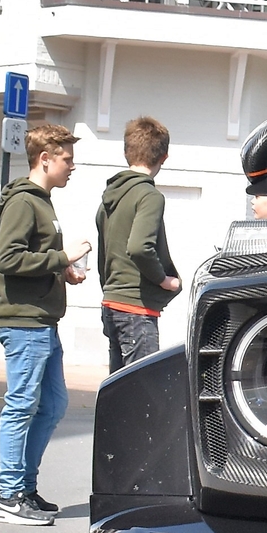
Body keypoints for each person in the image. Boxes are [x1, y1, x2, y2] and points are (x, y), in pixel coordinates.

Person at [0, 122, 89, 524]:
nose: (72, 167)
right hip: (24, 321)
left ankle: (25, 489)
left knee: (53, 405)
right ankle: (9, 497)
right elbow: (7, 259)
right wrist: (62, 259)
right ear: (45, 159)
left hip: (42, 319)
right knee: (22, 405)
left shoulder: (42, 202)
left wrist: (59, 273)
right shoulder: (24, 203)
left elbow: (28, 260)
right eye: (67, 159)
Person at [95, 116, 181, 371]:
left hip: (112, 302)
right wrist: (163, 280)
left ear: (126, 152)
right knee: (143, 392)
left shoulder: (108, 198)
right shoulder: (149, 196)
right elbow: (139, 247)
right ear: (164, 156)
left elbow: (106, 255)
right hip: (137, 306)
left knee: (120, 390)